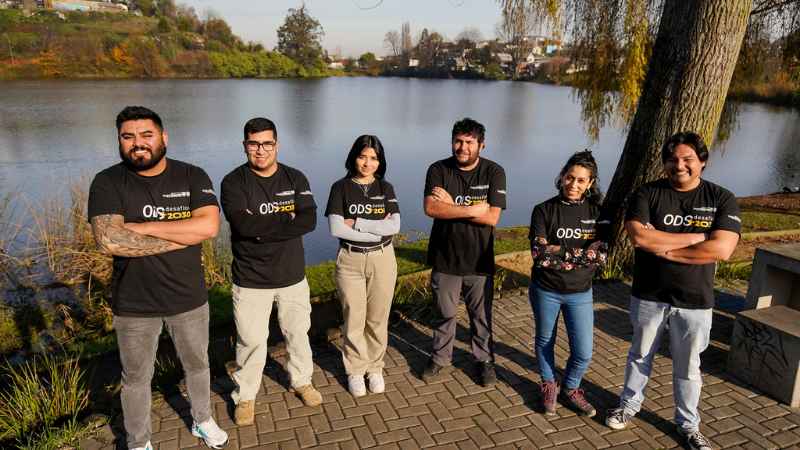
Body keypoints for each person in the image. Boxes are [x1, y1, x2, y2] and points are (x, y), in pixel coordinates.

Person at [88, 106, 228, 450]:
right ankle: (138, 442)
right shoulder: (108, 181)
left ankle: (202, 420)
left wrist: (143, 228)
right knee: (136, 379)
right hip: (134, 303)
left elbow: (209, 226)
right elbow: (109, 241)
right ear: (120, 142)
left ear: (163, 138)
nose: (138, 143)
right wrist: (184, 233)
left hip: (189, 297)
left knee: (197, 367)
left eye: (146, 135)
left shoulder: (191, 175)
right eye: (128, 137)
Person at [605, 132, 740, 450]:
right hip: (649, 294)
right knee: (639, 356)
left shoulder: (721, 198)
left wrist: (664, 247)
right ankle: (628, 407)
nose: (679, 165)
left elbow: (722, 249)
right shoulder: (646, 194)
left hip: (695, 299)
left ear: (702, 162)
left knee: (689, 366)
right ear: (665, 162)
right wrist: (696, 238)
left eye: (687, 159)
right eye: (672, 159)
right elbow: (640, 239)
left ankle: (689, 426)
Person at [220, 117, 320, 427]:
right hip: (251, 280)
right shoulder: (234, 182)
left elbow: (309, 221)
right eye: (254, 144)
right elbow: (243, 225)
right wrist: (286, 219)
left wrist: (262, 230)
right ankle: (246, 396)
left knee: (297, 335)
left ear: (276, 144)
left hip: (292, 276)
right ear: (245, 146)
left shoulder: (294, 178)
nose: (260, 150)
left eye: (267, 143)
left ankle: (301, 381)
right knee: (250, 341)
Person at [421, 117, 506, 387]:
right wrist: (473, 209)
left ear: (481, 145)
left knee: (480, 316)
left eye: (469, 142)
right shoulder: (438, 169)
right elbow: (431, 208)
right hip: (445, 259)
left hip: (479, 260)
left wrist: (452, 205)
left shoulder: (494, 172)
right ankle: (440, 357)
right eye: (458, 141)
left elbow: (493, 218)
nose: (463, 147)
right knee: (445, 312)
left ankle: (484, 361)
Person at [528, 150, 609, 417]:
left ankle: (571, 387)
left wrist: (559, 250)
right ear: (562, 176)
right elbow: (540, 258)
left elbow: (602, 258)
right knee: (545, 341)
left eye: (581, 181)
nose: (573, 185)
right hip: (545, 290)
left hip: (580, 293)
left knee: (584, 351)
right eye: (569, 178)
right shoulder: (543, 210)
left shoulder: (599, 213)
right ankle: (549, 384)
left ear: (591, 183)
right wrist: (583, 256)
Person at [324, 135, 401, 398]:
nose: (368, 163)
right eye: (362, 156)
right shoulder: (340, 188)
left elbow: (395, 228)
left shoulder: (385, 188)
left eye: (374, 158)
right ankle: (356, 369)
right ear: (353, 157)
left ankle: (375, 367)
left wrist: (356, 222)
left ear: (380, 161)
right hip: (350, 260)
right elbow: (336, 228)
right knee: (353, 317)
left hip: (383, 258)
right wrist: (377, 229)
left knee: (378, 317)